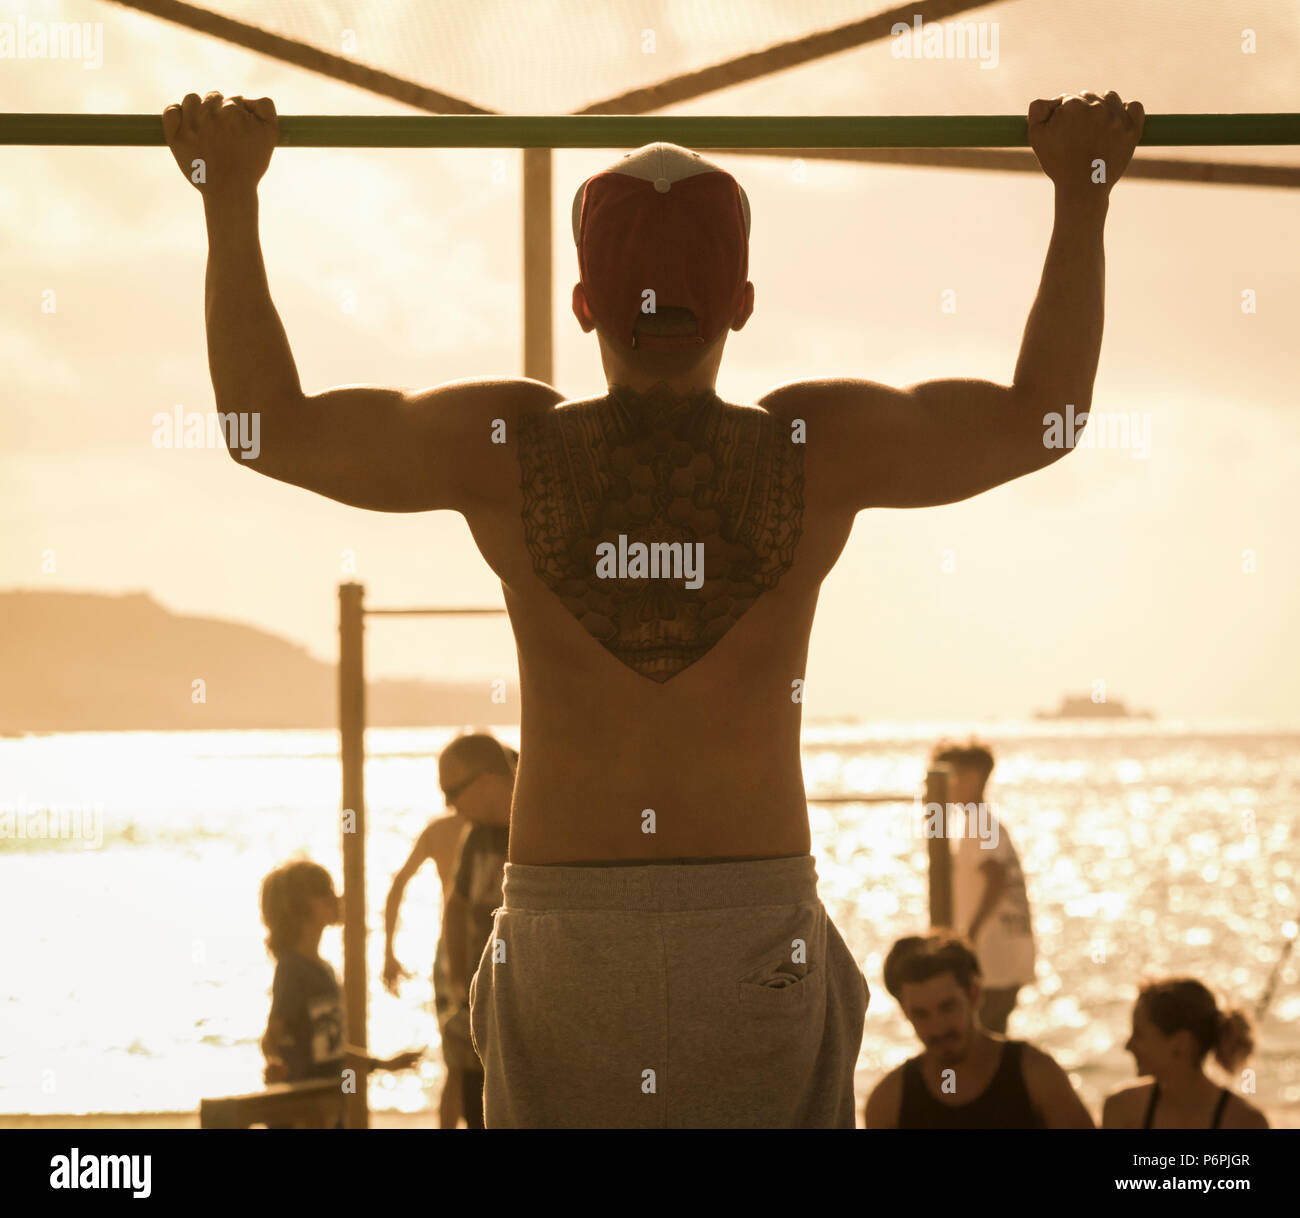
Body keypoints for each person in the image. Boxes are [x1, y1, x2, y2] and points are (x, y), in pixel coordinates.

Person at [165, 88, 1144, 1127]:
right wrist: (1081, 191)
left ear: (585, 303)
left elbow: (262, 428)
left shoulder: (506, 442)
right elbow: (1046, 418)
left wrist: (228, 194)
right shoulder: (815, 445)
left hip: (572, 934)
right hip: (747, 927)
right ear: (742, 301)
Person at [864, 934, 1093, 1128]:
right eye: (921, 1014)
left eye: (947, 1007)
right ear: (905, 1012)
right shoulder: (887, 1102)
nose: (938, 1028)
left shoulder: (1037, 1074)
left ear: (974, 995)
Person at [259, 859, 423, 1128]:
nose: (336, 898)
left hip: (329, 1106)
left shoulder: (323, 970)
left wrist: (384, 1065)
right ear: (303, 907)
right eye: (325, 893)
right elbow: (270, 1038)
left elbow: (331, 1050)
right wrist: (273, 1061)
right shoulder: (292, 969)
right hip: (302, 1112)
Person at [382, 768, 472, 1129]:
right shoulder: (451, 831)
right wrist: (388, 952)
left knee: (460, 1063)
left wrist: (388, 953)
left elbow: (398, 884)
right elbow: (398, 884)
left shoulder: (445, 831)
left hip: (462, 951)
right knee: (458, 1061)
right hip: (457, 950)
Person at [436, 735, 516, 1129]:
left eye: (452, 792)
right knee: (476, 1107)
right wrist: (455, 981)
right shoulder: (475, 836)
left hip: (526, 1007)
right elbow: (456, 904)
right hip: (480, 1006)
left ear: (485, 780)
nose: (448, 805)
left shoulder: (539, 824)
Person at [933, 739, 1035, 1034]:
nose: (944, 787)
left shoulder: (979, 823)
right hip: (1004, 959)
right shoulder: (982, 822)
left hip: (991, 961)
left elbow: (996, 879)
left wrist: (968, 937)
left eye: (949, 776)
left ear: (972, 778)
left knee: (983, 1044)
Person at [1102, 977, 1269, 1129]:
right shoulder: (1120, 1109)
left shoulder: (1245, 1123)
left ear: (1181, 1044)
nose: (1128, 1046)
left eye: (1139, 1035)